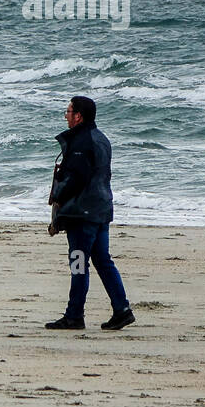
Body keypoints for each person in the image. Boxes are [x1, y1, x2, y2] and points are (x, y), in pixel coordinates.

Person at [46, 95, 135, 330]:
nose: (65, 115)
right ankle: (122, 309)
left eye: (68, 111)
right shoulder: (102, 139)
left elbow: (75, 179)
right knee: (103, 261)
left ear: (78, 116)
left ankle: (74, 315)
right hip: (101, 209)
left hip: (82, 213)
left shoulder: (81, 142)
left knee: (78, 263)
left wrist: (57, 198)